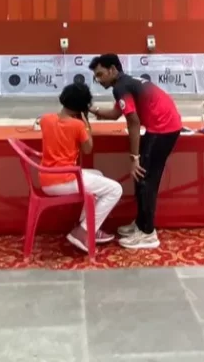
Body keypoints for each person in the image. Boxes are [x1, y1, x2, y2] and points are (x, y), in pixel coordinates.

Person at [88, 54, 182, 250]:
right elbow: (116, 114)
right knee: (141, 179)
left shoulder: (121, 87)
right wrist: (92, 109)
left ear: (113, 70)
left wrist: (135, 158)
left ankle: (148, 233)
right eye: (96, 76)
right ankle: (140, 223)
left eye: (100, 74)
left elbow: (133, 123)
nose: (98, 79)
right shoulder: (125, 84)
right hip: (161, 127)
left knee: (145, 180)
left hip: (163, 129)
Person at [39, 83, 123, 253]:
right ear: (82, 107)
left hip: (47, 178)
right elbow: (87, 148)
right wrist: (86, 124)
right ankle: (83, 231)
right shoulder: (78, 126)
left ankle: (89, 225)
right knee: (115, 190)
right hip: (65, 179)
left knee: (97, 175)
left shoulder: (45, 119)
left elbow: (58, 128)